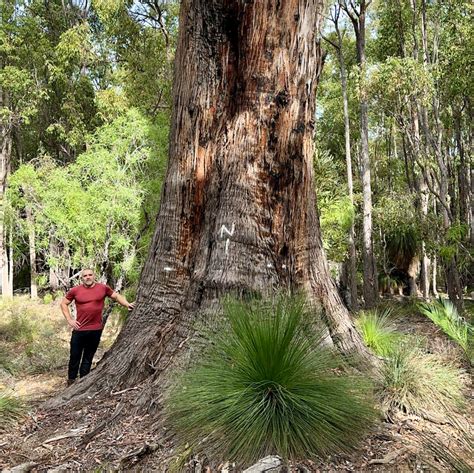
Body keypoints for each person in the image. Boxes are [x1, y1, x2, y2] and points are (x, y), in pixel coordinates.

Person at [60, 268, 135, 386]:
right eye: (85, 276)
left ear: (94, 276)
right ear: (82, 278)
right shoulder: (75, 290)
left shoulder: (103, 288)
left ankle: (83, 382)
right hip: (79, 329)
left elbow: (116, 296)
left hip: (95, 329)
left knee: (88, 357)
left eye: (90, 275)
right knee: (75, 356)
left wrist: (127, 304)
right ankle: (71, 381)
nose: (88, 277)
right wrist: (69, 320)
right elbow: (63, 303)